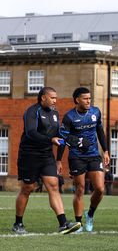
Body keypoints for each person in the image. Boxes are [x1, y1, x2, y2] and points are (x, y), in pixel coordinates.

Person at [12, 87, 80, 235]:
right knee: (27, 188)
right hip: (29, 155)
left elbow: (59, 135)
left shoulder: (55, 113)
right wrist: (50, 140)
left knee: (53, 185)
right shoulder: (32, 111)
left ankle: (63, 224)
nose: (55, 100)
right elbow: (31, 133)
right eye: (52, 97)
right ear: (43, 98)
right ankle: (18, 223)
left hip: (46, 155)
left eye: (56, 98)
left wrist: (72, 144)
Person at [57, 87, 109, 232]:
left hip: (93, 155)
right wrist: (59, 160)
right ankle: (78, 223)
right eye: (85, 98)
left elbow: (100, 131)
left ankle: (90, 214)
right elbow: (63, 138)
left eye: (89, 98)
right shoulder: (69, 117)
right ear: (77, 100)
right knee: (80, 189)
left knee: (100, 188)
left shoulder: (95, 112)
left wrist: (105, 150)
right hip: (77, 156)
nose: (88, 101)